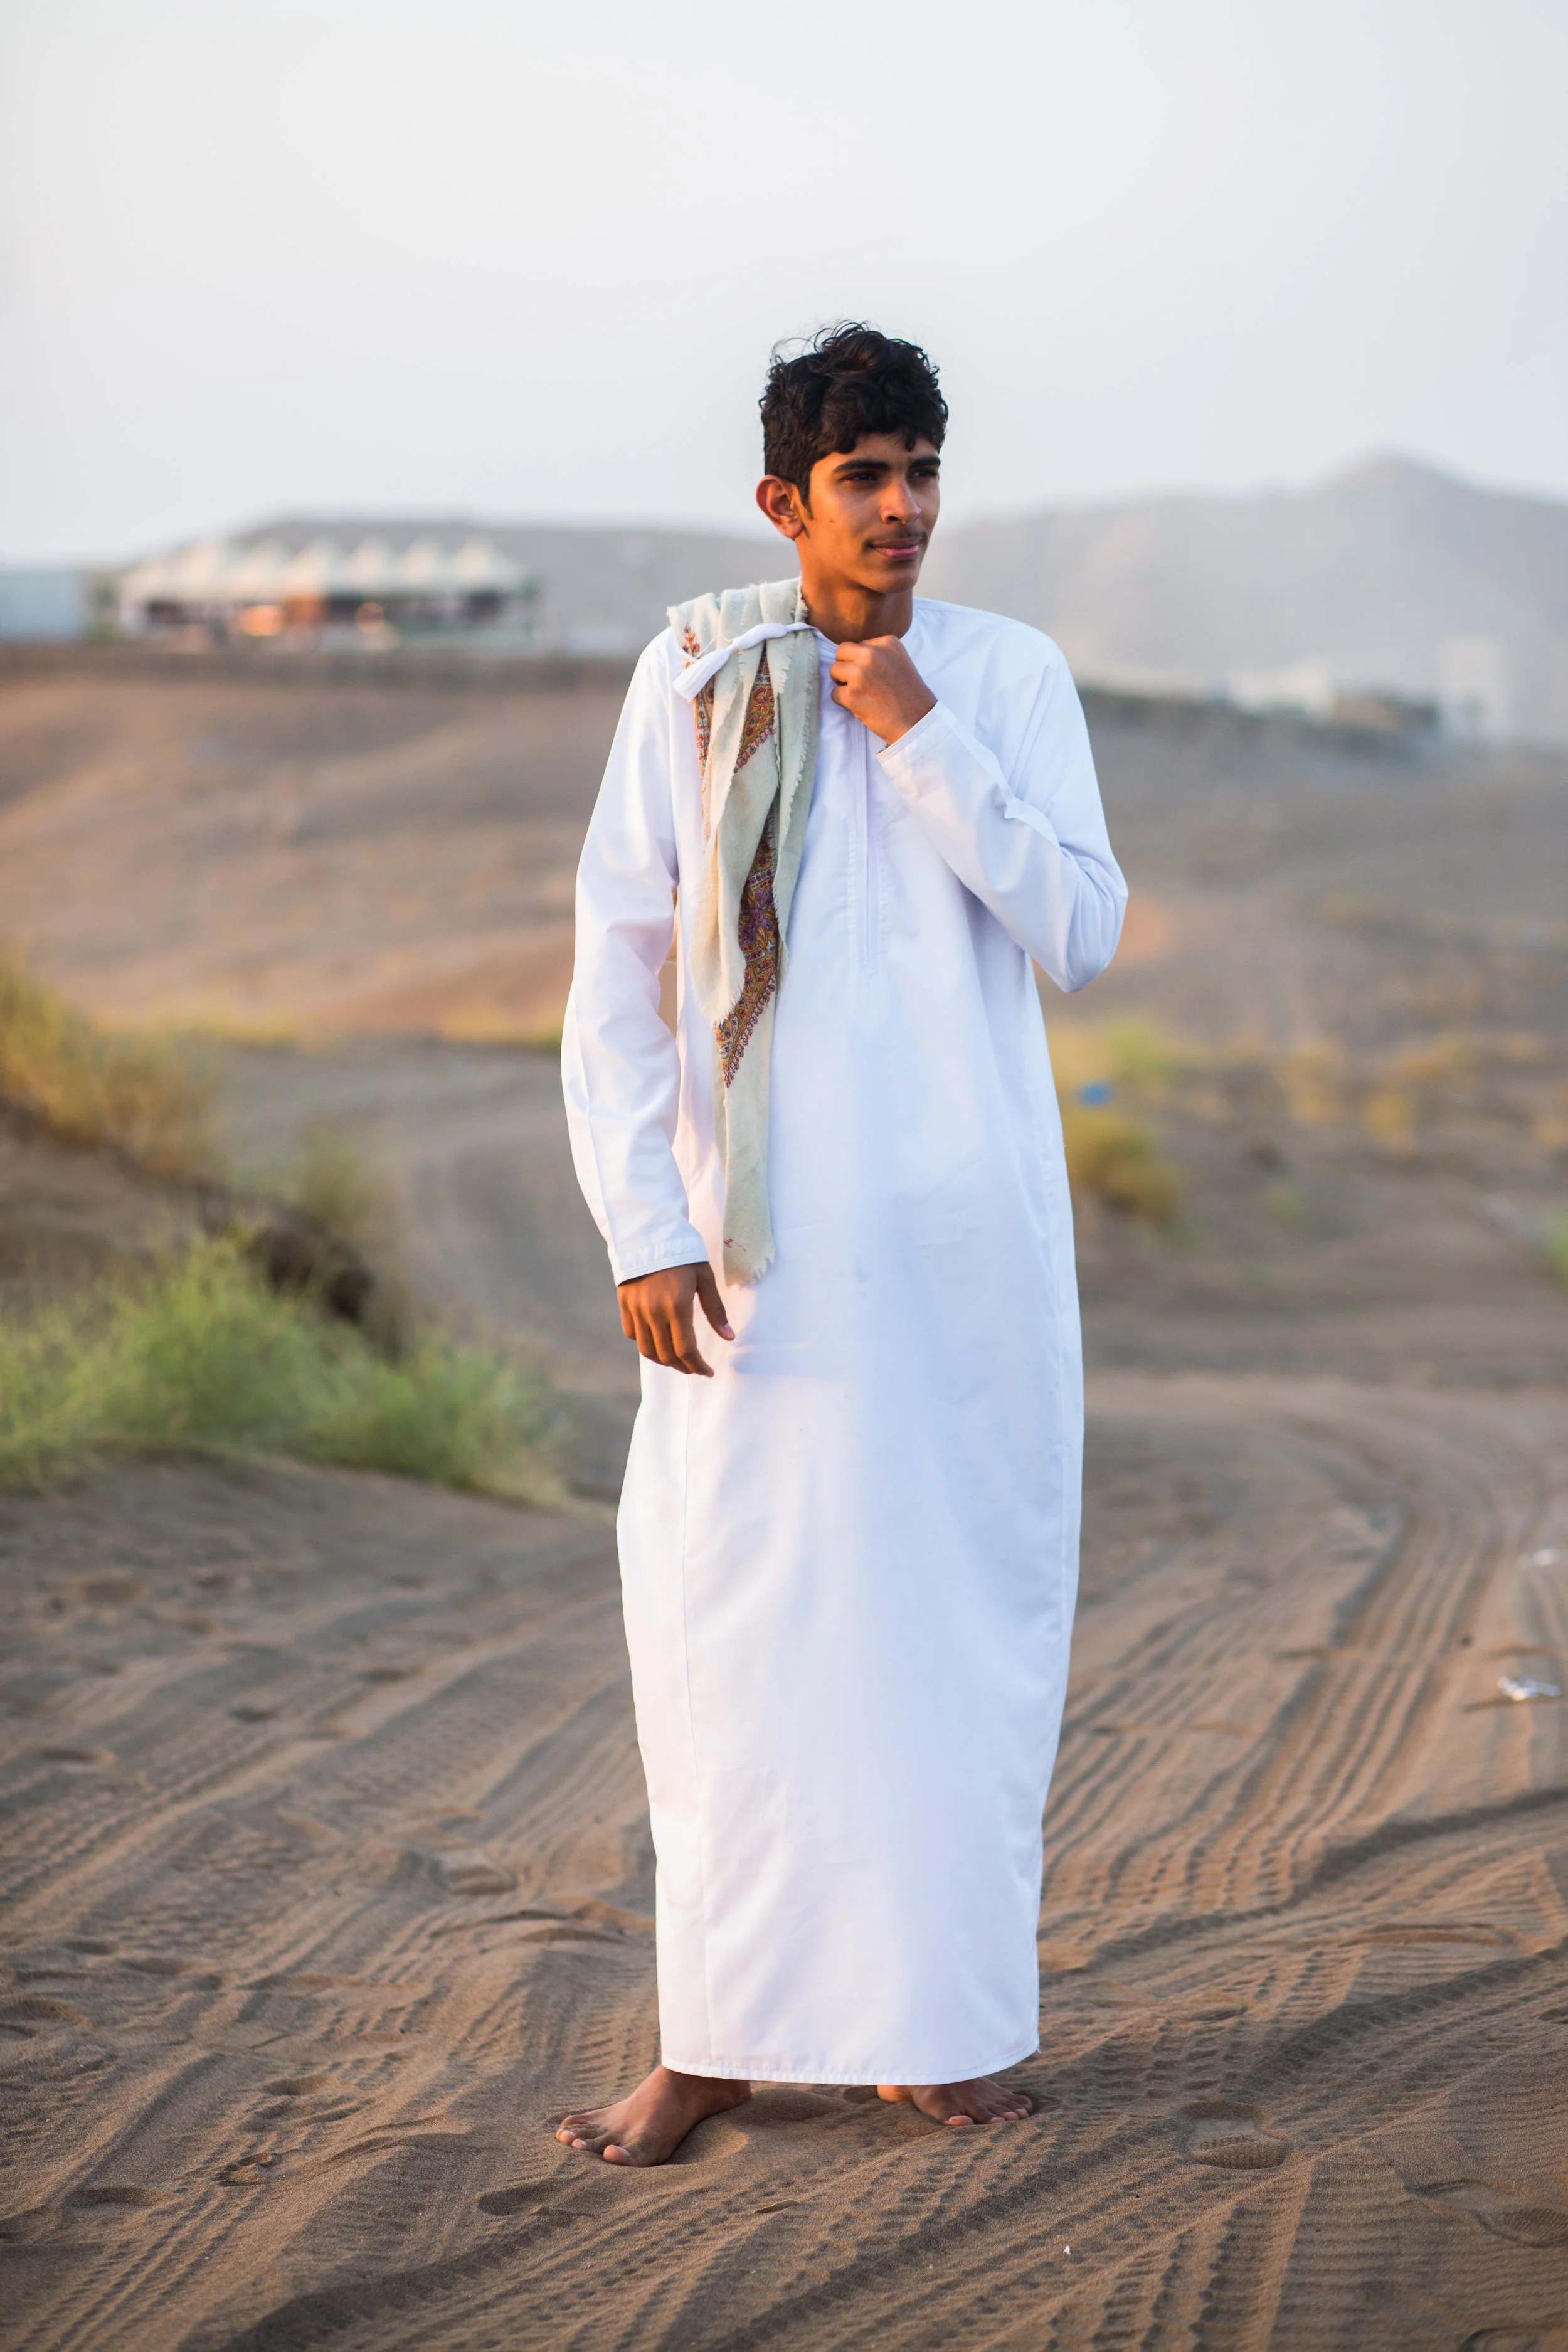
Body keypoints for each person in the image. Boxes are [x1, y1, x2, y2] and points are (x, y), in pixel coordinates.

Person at [558, 324, 1126, 2166]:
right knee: (731, 1631)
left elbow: (1082, 926)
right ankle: (712, 2041)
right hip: (755, 1258)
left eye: (921, 471)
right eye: (863, 475)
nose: (900, 509)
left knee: (950, 1634)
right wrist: (644, 1214)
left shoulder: (1004, 676)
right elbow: (620, 965)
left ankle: (935, 2026)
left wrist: (921, 738)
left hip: (963, 1257)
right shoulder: (698, 676)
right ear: (779, 500)